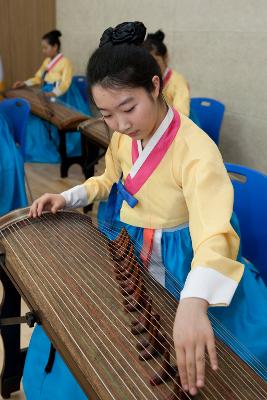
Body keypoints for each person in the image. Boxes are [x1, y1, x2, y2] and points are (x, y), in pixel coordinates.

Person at [27, 21, 267, 398]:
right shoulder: (124, 138)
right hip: (133, 247)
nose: (120, 124)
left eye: (128, 108)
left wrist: (194, 299)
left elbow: (213, 234)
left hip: (184, 257)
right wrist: (71, 196)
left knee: (217, 362)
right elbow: (108, 178)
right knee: (99, 343)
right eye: (106, 115)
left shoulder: (196, 151)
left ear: (155, 87)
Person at [13, 30, 90, 163]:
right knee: (34, 118)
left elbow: (66, 83)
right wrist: (24, 83)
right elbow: (38, 78)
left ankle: (57, 148)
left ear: (55, 47)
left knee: (54, 117)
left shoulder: (65, 62)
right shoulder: (47, 61)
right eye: (42, 48)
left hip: (63, 95)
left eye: (45, 47)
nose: (43, 51)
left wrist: (53, 93)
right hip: (47, 91)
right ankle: (40, 146)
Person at [143, 29, 190, 117]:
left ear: (165, 58)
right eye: (147, 62)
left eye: (155, 61)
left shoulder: (178, 82)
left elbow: (181, 115)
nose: (151, 66)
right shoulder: (144, 80)